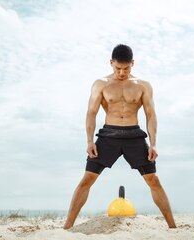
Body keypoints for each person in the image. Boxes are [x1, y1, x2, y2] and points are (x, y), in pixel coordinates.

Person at [63, 44, 176, 229]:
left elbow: (151, 114)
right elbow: (91, 113)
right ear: (111, 63)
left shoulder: (143, 85)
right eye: (117, 68)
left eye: (126, 68)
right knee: (87, 180)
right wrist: (90, 141)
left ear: (132, 63)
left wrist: (153, 144)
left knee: (153, 180)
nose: (122, 72)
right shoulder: (101, 84)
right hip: (108, 136)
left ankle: (173, 228)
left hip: (134, 136)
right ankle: (67, 228)